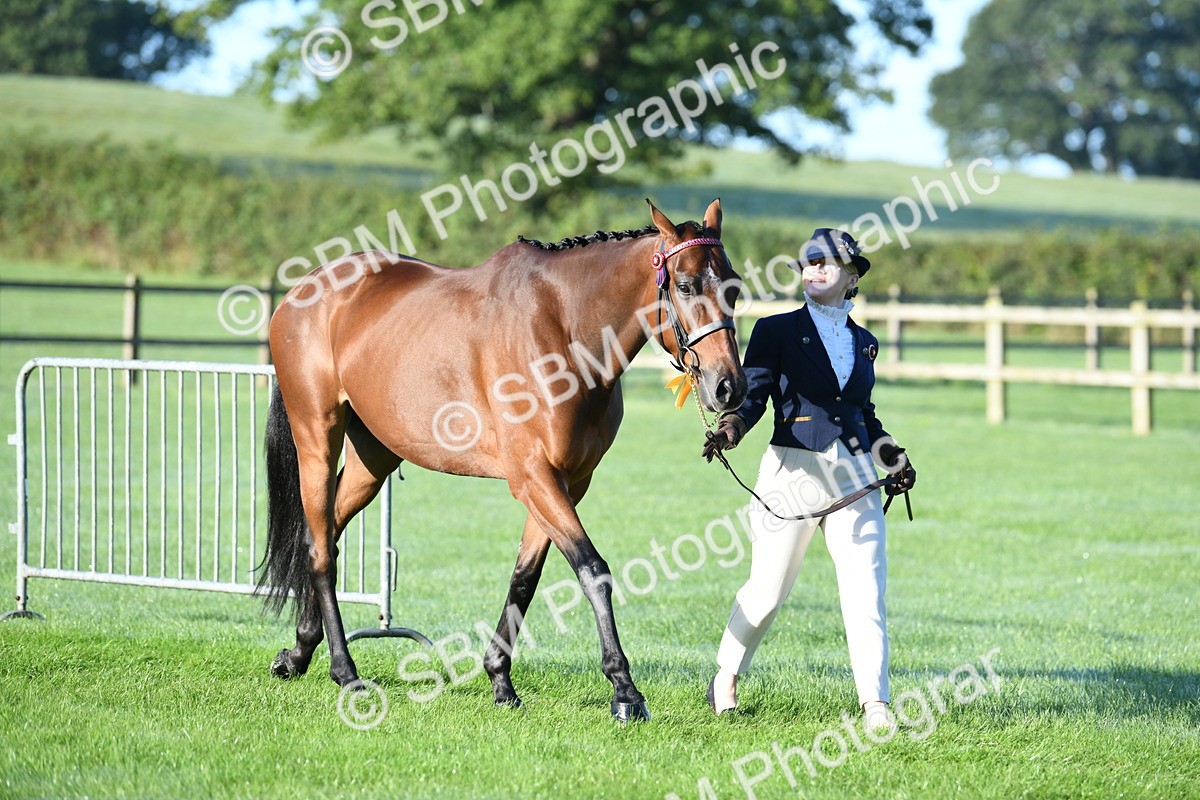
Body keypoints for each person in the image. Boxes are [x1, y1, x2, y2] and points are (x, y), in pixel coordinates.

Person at [701, 228, 916, 730]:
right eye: (808, 261)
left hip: (856, 477)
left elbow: (862, 414)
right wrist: (730, 428)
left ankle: (875, 704)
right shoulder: (776, 331)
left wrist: (893, 458)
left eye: (826, 262)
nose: (814, 268)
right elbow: (754, 395)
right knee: (767, 592)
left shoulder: (865, 343)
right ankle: (726, 676)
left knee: (866, 590)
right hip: (792, 473)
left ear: (851, 275)